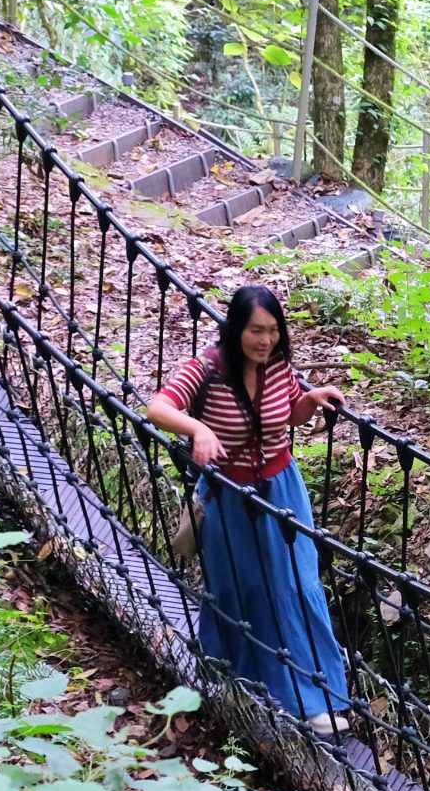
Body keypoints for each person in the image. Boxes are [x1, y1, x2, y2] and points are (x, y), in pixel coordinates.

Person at [145, 286, 352, 730]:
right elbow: (156, 407)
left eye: (274, 330)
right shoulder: (207, 369)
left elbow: (286, 417)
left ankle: (313, 698)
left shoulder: (279, 365)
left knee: (296, 585)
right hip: (229, 496)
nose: (266, 340)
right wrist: (197, 429)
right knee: (240, 588)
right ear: (236, 329)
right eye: (256, 330)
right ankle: (235, 679)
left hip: (281, 490)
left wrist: (309, 402)